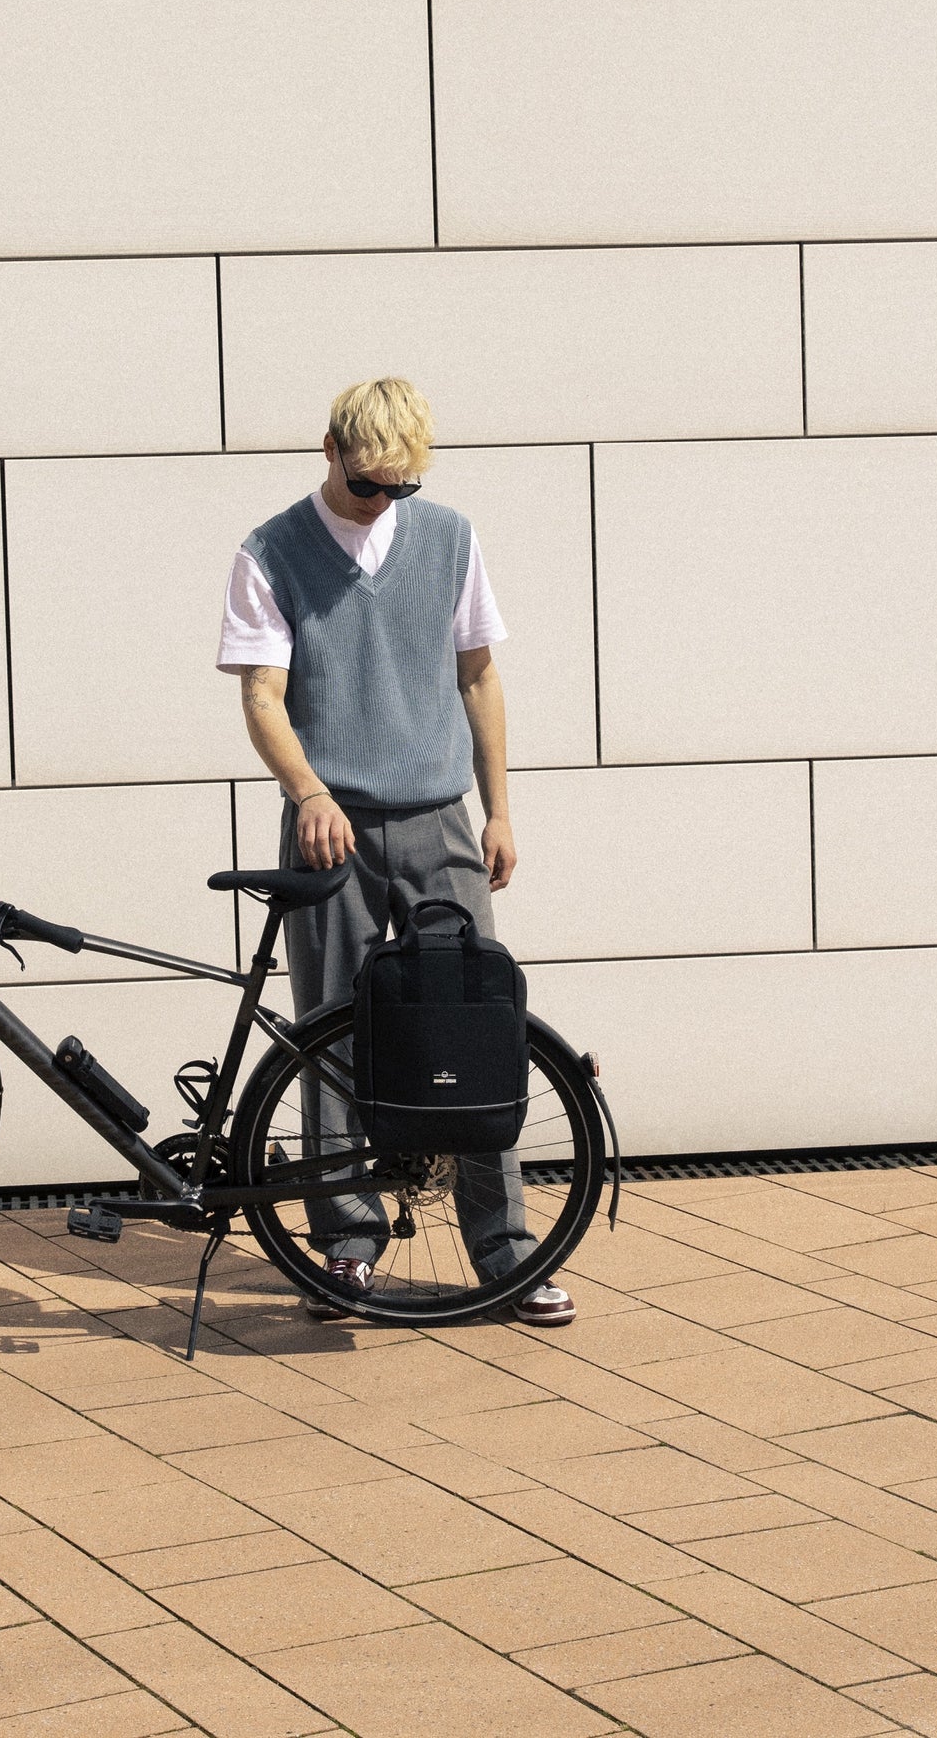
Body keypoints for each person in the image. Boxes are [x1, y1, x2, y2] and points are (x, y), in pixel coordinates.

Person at [217, 377, 574, 1327]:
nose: (385, 503)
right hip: (326, 821)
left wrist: (499, 809)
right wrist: (309, 793)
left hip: (437, 816)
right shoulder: (271, 552)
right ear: (328, 449)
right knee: (331, 1032)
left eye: (401, 488)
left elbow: (480, 676)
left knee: (474, 1022)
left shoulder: (450, 538)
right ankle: (346, 1243)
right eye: (371, 483)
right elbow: (260, 697)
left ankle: (505, 1248)